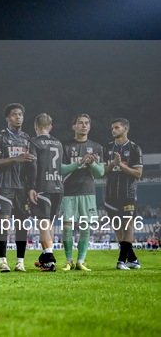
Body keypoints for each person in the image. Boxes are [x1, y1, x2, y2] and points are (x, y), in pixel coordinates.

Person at [0, 103, 34, 272]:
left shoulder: (27, 139)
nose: (18, 117)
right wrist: (15, 158)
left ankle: (20, 262)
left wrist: (31, 187)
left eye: (20, 114)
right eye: (14, 115)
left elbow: (31, 166)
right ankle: (2, 261)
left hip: (22, 188)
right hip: (4, 186)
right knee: (4, 222)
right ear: (7, 118)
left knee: (22, 224)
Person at [59, 114, 104, 271]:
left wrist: (92, 163)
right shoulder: (65, 146)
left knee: (85, 227)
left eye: (86, 123)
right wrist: (80, 161)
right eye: (80, 123)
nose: (84, 125)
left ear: (89, 127)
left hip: (87, 191)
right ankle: (69, 260)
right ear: (74, 126)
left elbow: (101, 172)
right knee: (66, 227)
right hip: (68, 191)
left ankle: (80, 261)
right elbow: (61, 169)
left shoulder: (96, 147)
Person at [26, 113, 67, 272]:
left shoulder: (34, 142)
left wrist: (31, 187)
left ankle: (49, 260)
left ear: (35, 126)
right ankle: (45, 257)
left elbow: (33, 165)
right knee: (48, 223)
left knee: (43, 223)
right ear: (50, 127)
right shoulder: (58, 143)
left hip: (43, 186)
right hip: (58, 186)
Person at [102, 118, 143, 270]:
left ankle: (121, 261)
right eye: (112, 128)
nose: (113, 130)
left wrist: (121, 166)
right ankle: (132, 259)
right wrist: (112, 164)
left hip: (128, 193)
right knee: (118, 228)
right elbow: (103, 171)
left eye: (117, 128)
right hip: (111, 194)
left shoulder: (134, 148)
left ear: (125, 129)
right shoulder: (107, 148)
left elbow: (138, 173)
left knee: (128, 226)